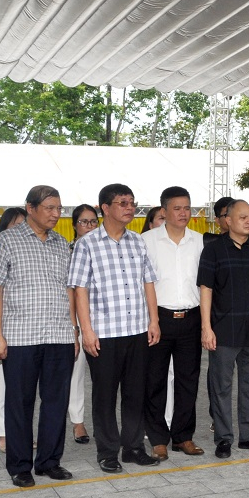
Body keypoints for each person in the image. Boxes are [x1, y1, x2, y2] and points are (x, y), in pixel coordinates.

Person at [0, 185, 78, 487]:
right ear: (30, 208)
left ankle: (49, 461)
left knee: (56, 402)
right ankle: (20, 466)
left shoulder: (61, 243)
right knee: (19, 403)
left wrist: (74, 330)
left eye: (59, 208)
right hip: (20, 337)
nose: (56, 214)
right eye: (49, 208)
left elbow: (69, 290)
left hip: (59, 335)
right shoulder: (7, 240)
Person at [67, 183, 161, 473]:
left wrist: (154, 320)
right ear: (105, 208)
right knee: (105, 396)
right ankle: (107, 452)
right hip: (104, 334)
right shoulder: (87, 244)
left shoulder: (137, 241)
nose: (130, 208)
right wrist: (86, 331)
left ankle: (133, 447)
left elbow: (148, 282)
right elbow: (79, 289)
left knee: (135, 393)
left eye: (132, 202)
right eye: (123, 203)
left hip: (137, 330)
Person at [200, 200, 249, 459]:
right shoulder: (213, 250)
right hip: (223, 330)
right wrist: (206, 327)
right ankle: (223, 439)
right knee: (221, 387)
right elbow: (206, 289)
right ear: (228, 220)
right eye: (243, 217)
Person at [142, 187, 204, 460]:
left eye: (187, 208)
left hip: (191, 318)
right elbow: (143, 284)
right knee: (154, 380)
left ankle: (183, 436)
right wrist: (151, 320)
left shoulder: (199, 241)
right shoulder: (146, 241)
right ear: (164, 211)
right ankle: (158, 439)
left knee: (188, 380)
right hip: (159, 319)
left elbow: (205, 285)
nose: (183, 213)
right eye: (177, 208)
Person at [0, 207, 27, 453]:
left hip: (24, 331)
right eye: (16, 225)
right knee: (0, 384)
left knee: (21, 389)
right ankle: (3, 434)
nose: (21, 230)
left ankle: (20, 434)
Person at [67, 204, 97, 446]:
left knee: (103, 376)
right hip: (74, 319)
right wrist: (74, 326)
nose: (89, 226)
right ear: (74, 225)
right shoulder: (67, 251)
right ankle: (78, 422)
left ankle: (105, 423)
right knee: (76, 373)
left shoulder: (105, 249)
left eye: (93, 221)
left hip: (103, 320)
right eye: (84, 222)